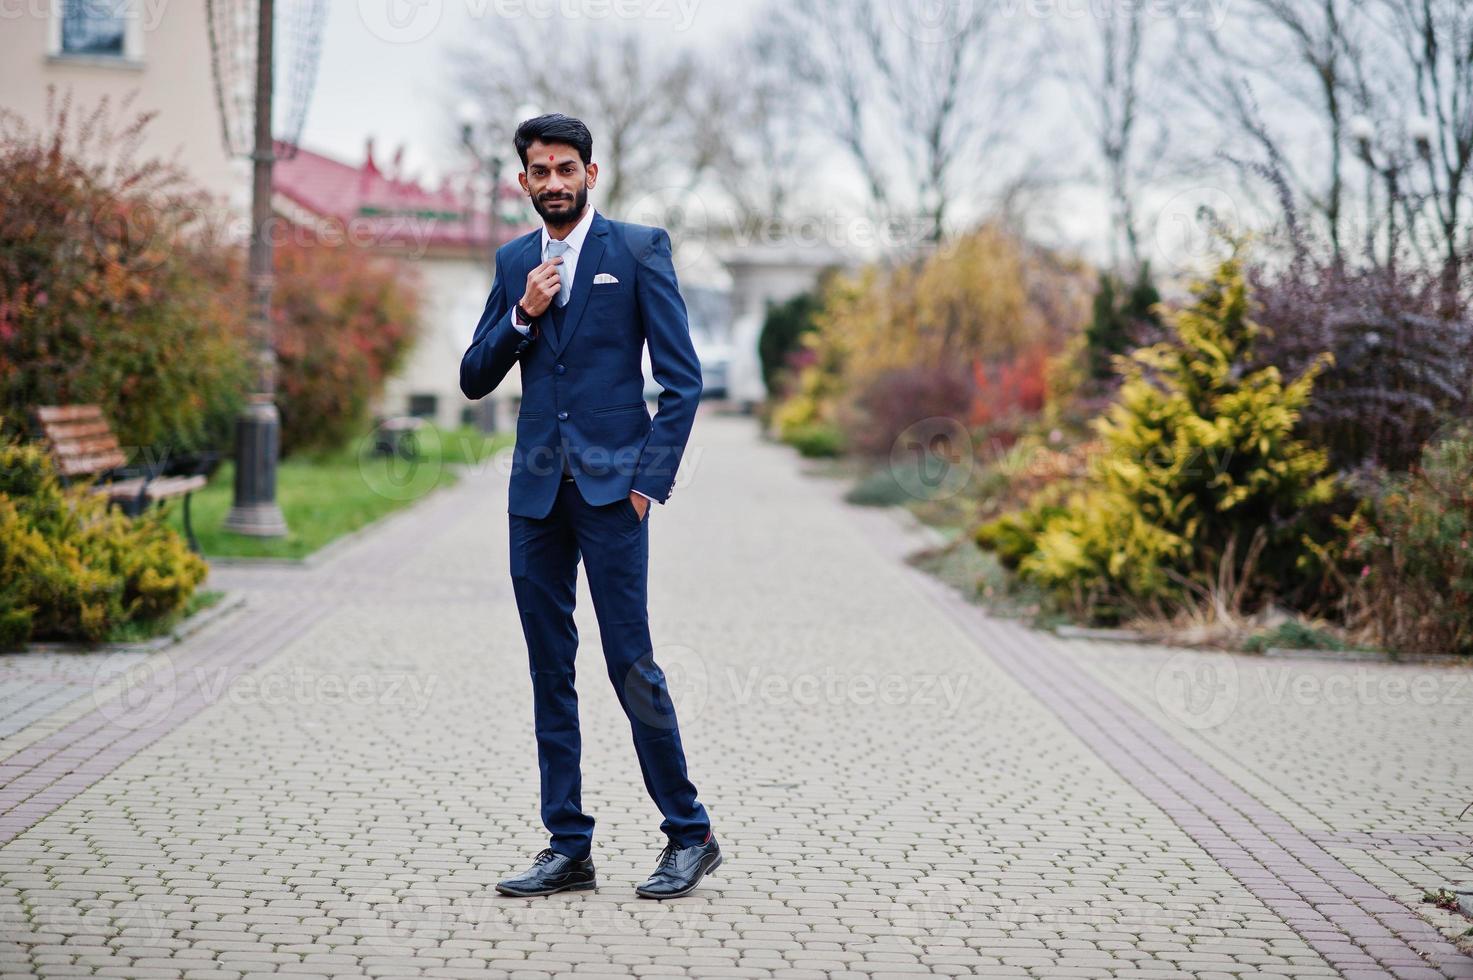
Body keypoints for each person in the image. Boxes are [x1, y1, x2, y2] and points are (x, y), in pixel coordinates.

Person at [459, 113, 720, 899]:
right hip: (534, 496)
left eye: (566, 169)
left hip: (613, 495)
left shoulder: (639, 250)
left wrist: (647, 485)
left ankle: (689, 833)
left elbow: (682, 381)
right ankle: (567, 845)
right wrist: (521, 316)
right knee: (549, 669)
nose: (553, 184)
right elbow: (474, 375)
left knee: (629, 663)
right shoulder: (514, 264)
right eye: (539, 172)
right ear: (523, 182)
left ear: (590, 174)